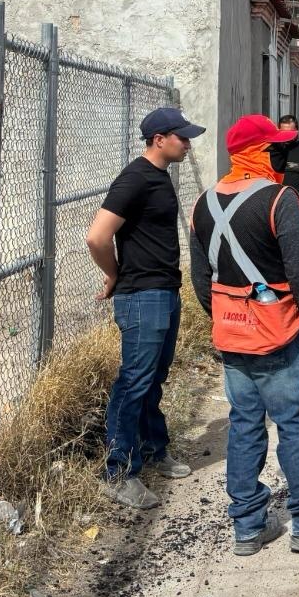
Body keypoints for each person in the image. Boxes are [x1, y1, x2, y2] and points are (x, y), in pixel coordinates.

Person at [189, 114, 299, 556]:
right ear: (256, 153)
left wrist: (226, 320)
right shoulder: (279, 199)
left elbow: (199, 278)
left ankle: (248, 527)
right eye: (274, 149)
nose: (280, 156)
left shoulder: (204, 203)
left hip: (232, 337)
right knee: (297, 428)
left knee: (244, 428)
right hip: (279, 334)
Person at [86, 106, 204, 509]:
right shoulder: (136, 177)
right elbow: (97, 237)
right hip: (142, 296)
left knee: (154, 377)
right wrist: (115, 274)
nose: (188, 144)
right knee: (134, 380)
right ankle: (117, 472)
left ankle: (154, 448)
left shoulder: (159, 177)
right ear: (159, 140)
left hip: (164, 292)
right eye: (182, 137)